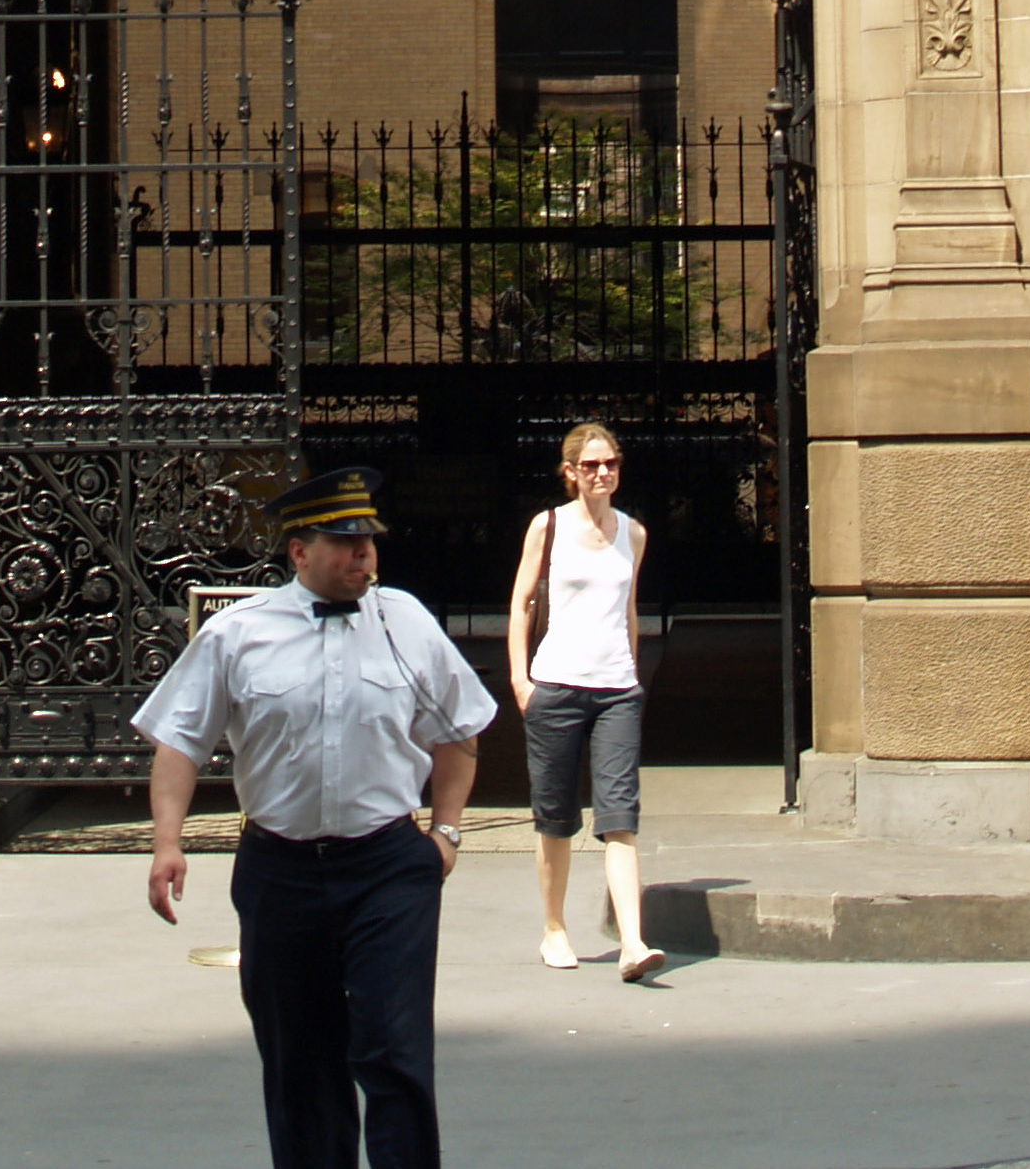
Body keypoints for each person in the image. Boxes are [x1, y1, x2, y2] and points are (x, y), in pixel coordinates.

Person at [137, 467, 497, 1169]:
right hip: (281, 871)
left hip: (388, 866)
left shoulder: (408, 622)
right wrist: (167, 842)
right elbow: (180, 738)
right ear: (299, 551)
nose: (362, 553)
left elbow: (461, 730)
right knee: (300, 1064)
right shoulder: (237, 634)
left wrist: (445, 833)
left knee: (393, 1052)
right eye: (343, 540)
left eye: (368, 540)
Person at [506, 422, 664, 982]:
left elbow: (628, 608)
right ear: (570, 472)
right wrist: (522, 681)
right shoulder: (547, 527)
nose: (604, 473)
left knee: (620, 816)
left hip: (617, 690)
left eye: (612, 464)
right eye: (592, 465)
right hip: (556, 687)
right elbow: (522, 603)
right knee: (555, 818)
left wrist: (633, 669)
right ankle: (554, 927)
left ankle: (632, 942)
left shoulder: (634, 534)